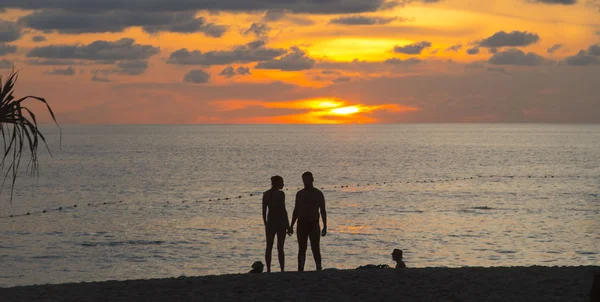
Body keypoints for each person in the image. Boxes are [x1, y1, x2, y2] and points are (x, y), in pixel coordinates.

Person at [288, 172, 327, 272]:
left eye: (308, 179)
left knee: (315, 248)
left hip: (313, 223)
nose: (306, 182)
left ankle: (318, 267)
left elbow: (322, 210)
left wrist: (325, 225)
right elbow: (296, 210)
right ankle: (300, 269)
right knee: (302, 248)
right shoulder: (299, 194)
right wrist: (291, 225)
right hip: (301, 224)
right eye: (304, 180)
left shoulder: (318, 194)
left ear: (312, 180)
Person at [262, 175, 289, 272]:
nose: (283, 184)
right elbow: (283, 209)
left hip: (271, 222)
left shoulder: (266, 194)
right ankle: (282, 269)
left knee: (269, 246)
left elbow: (264, 211)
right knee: (280, 247)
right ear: (276, 183)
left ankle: (269, 269)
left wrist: (266, 223)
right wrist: (288, 225)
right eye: (281, 182)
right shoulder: (281, 194)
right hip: (280, 222)